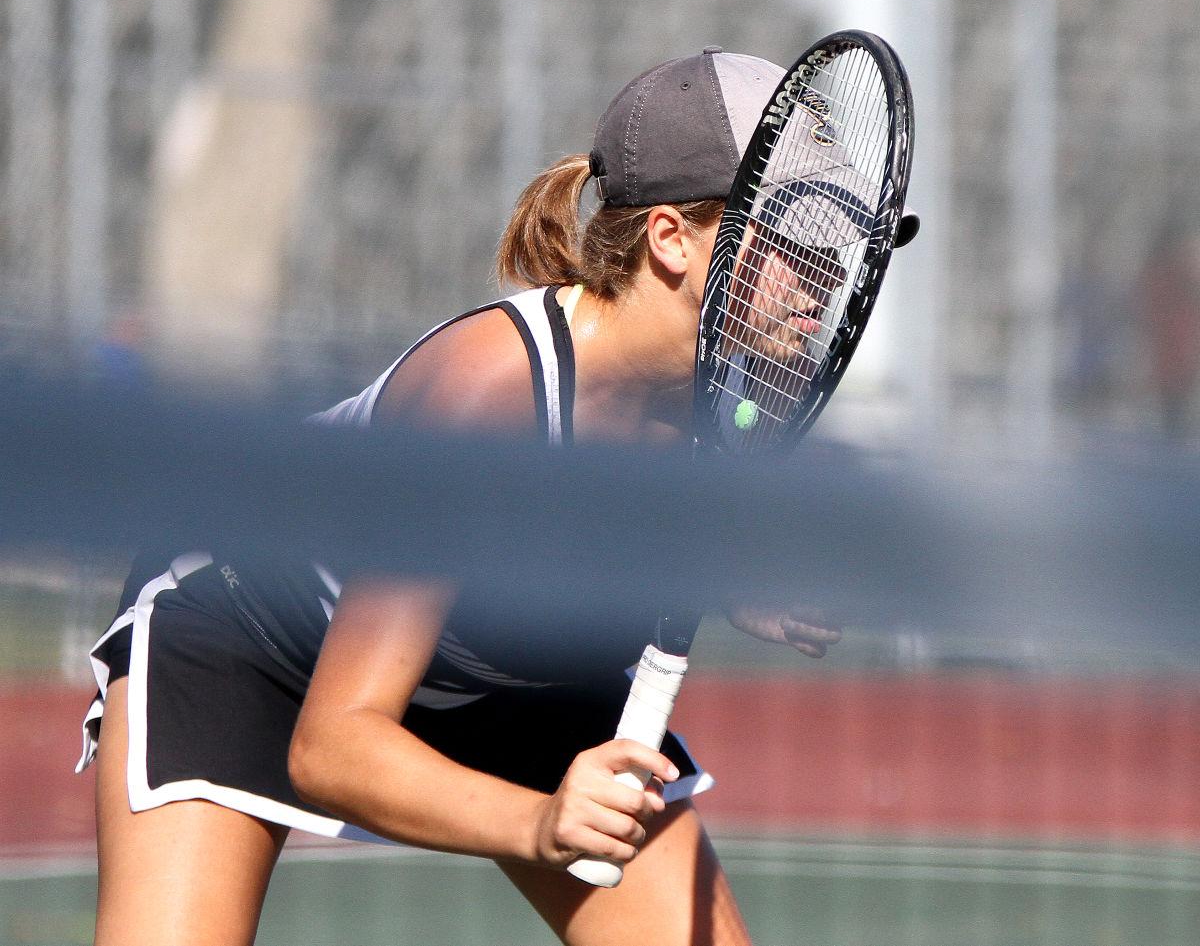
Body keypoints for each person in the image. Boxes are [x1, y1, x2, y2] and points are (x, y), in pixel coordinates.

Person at [78, 47, 898, 946]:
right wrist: (541, 823)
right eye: (792, 241)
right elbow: (332, 745)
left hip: (510, 664)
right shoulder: (484, 400)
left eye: (836, 242)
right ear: (670, 239)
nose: (828, 274)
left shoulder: (732, 392)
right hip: (248, 640)